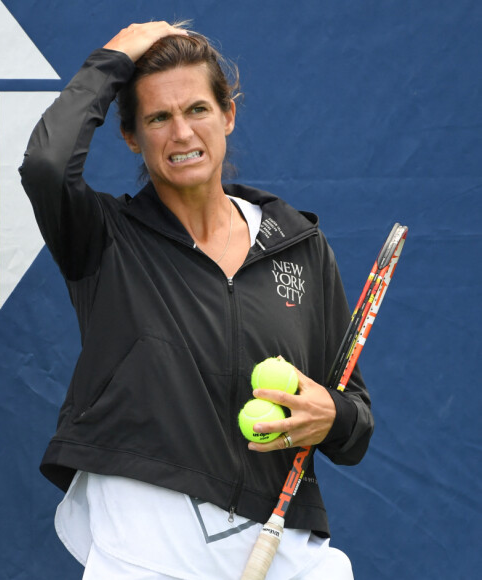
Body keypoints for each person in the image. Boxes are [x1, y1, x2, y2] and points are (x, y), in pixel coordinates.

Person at [19, 21, 373, 579]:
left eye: (198, 110)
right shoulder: (105, 238)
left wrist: (332, 416)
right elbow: (45, 165)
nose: (181, 133)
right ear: (132, 136)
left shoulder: (300, 246)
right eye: (158, 118)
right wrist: (114, 59)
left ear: (227, 115)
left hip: (282, 546)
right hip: (148, 547)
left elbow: (352, 416)